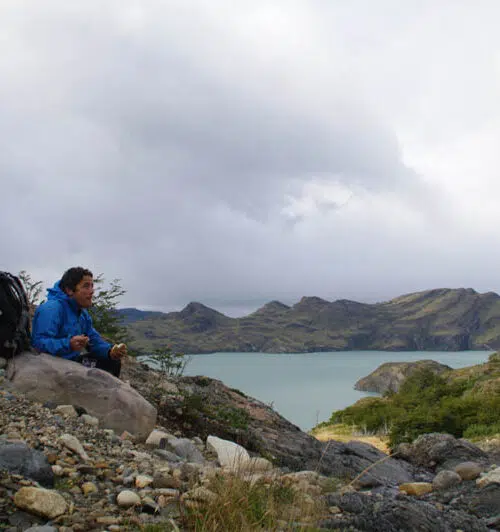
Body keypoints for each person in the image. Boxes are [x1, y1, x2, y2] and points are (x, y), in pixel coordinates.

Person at [31, 267, 127, 378]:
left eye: (92, 286)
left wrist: (109, 352)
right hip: (50, 364)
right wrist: (68, 344)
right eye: (86, 286)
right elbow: (39, 343)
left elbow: (94, 340)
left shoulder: (81, 313)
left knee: (111, 361)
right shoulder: (52, 309)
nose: (92, 291)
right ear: (69, 290)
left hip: (72, 361)